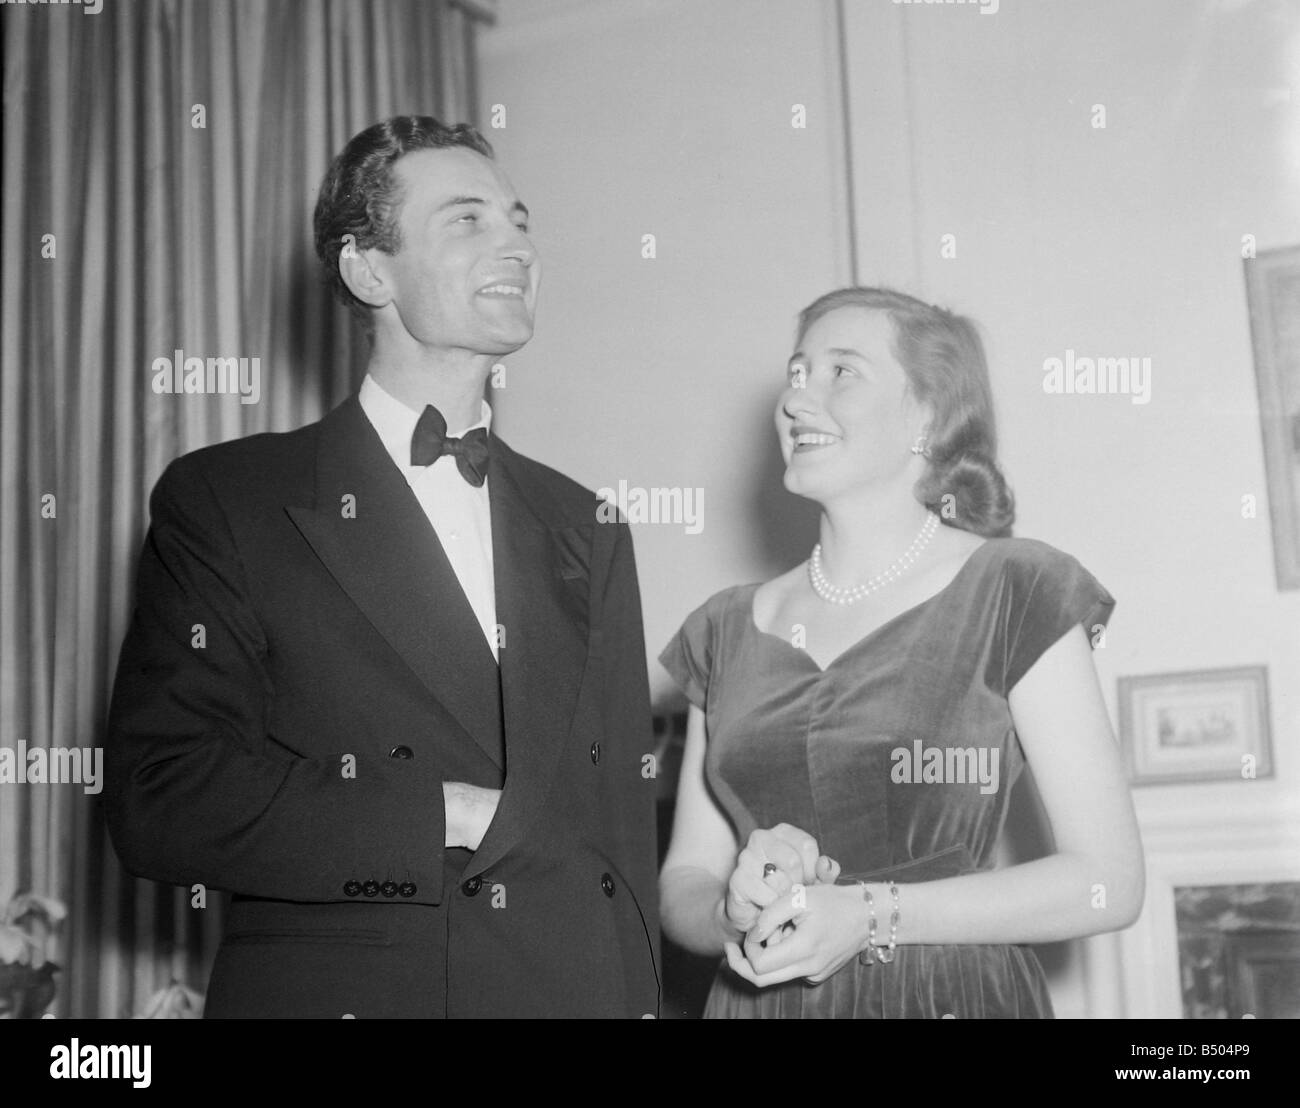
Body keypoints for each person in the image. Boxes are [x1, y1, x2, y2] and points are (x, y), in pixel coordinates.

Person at [105, 116, 660, 1019]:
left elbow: (619, 837)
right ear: (369, 271)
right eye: (468, 220)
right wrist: (443, 816)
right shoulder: (230, 498)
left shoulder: (586, 523)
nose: (517, 243)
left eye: (519, 219)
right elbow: (160, 797)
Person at [657, 287, 1144, 1018]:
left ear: (928, 415)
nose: (796, 400)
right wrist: (731, 908)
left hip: (946, 995)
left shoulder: (1017, 588)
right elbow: (684, 880)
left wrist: (869, 914)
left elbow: (1109, 881)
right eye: (796, 373)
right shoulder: (722, 628)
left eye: (840, 372)